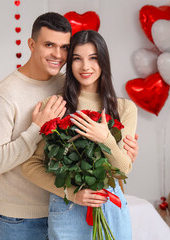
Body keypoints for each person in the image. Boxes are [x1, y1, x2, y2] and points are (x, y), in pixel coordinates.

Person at [0, 12, 138, 240]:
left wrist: (112, 145)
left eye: (64, 48)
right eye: (49, 45)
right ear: (31, 44)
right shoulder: (11, 95)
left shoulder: (66, 85)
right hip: (22, 217)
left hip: (74, 207)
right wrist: (37, 128)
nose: (58, 55)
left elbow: (122, 167)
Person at [21, 30, 137, 239]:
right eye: (77, 59)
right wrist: (71, 193)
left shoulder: (125, 108)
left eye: (93, 58)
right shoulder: (54, 105)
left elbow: (123, 169)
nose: (85, 66)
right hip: (67, 208)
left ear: (104, 61)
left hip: (110, 205)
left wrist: (105, 139)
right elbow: (30, 165)